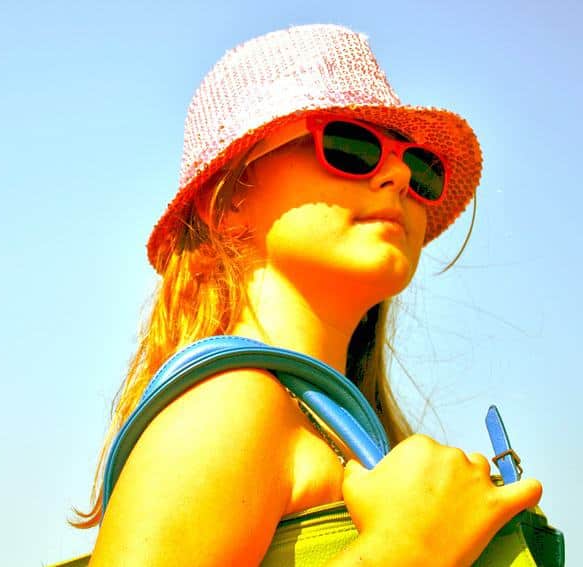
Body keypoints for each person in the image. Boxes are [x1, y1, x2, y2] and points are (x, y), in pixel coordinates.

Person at [73, 24, 543, 566]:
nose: (395, 173)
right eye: (349, 143)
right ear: (227, 203)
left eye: (421, 169)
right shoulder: (231, 405)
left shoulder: (326, 434)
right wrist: (408, 549)